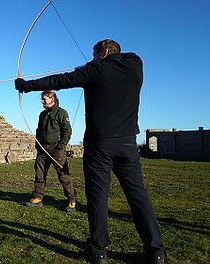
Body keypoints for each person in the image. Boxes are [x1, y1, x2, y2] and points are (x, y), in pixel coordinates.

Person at [15, 39, 166, 264]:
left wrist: (26, 85)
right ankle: (157, 253)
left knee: (97, 197)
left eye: (94, 55)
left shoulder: (94, 71)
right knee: (138, 197)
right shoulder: (134, 66)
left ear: (103, 52)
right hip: (127, 144)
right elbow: (126, 57)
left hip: (100, 146)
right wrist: (93, 65)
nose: (92, 59)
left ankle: (98, 252)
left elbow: (59, 80)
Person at [25, 90, 77, 213]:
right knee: (39, 174)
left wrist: (61, 146)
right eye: (42, 99)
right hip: (43, 150)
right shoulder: (42, 114)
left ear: (52, 99)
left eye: (44, 99)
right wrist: (38, 145)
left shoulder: (61, 113)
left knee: (63, 176)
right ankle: (38, 197)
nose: (42, 101)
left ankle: (72, 200)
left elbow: (67, 131)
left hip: (57, 150)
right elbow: (39, 130)